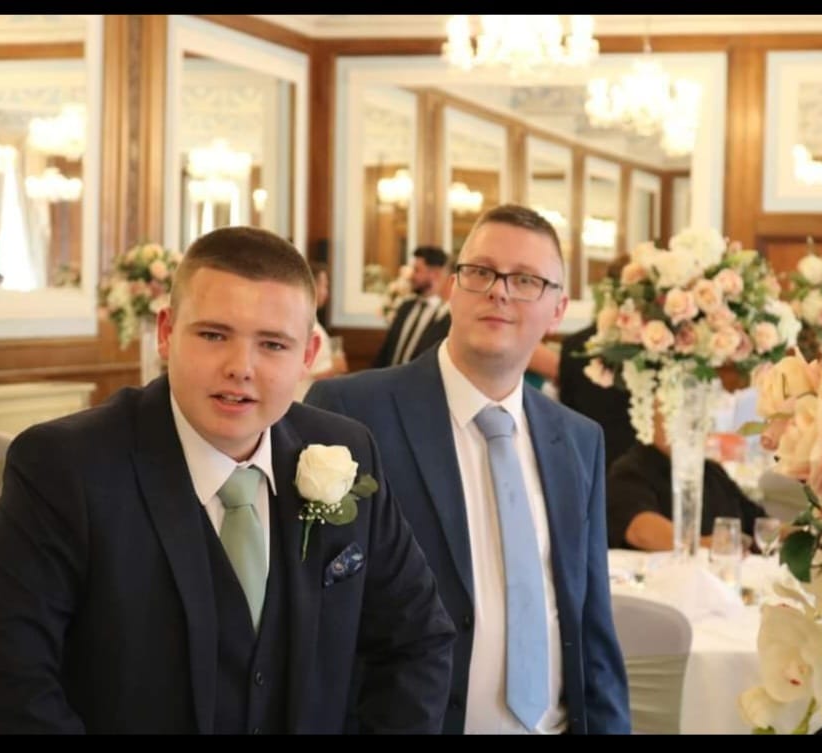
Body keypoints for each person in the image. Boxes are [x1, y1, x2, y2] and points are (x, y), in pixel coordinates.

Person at [0, 226, 455, 734]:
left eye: (273, 344)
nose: (240, 367)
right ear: (167, 331)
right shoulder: (64, 467)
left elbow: (415, 640)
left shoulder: (347, 453)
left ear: (308, 354)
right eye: (213, 335)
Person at [307, 204, 630, 735]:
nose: (499, 291)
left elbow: (591, 628)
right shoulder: (352, 415)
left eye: (526, 280)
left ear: (557, 310)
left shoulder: (577, 439)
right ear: (454, 287)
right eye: (480, 272)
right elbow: (320, 622)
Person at [607, 405, 768, 551]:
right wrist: (705, 545)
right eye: (673, 414)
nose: (689, 425)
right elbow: (640, 531)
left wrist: (791, 536)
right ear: (650, 419)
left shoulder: (712, 471)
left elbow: (759, 526)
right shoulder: (629, 470)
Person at [558, 256, 635, 468]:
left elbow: (566, 415)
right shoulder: (653, 349)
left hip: (584, 461)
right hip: (638, 472)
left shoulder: (574, 345)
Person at [372, 245, 449, 368]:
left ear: (434, 274)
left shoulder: (446, 318)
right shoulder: (405, 307)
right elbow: (386, 351)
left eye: (417, 270)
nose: (412, 276)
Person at [293, 263, 348, 401]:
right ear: (313, 287)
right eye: (324, 286)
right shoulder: (310, 327)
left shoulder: (308, 321)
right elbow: (317, 373)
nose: (326, 292)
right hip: (304, 397)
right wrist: (336, 367)